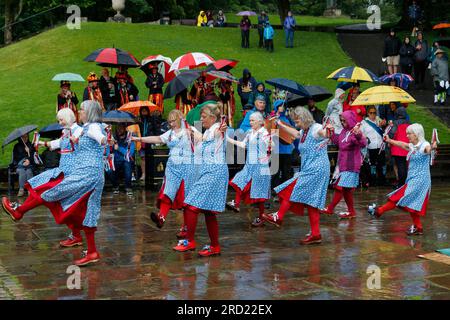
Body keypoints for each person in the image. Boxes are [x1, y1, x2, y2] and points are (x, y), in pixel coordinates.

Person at [2, 100, 108, 266]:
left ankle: (19, 211)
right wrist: (44, 144)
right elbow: (62, 143)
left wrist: (104, 140)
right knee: (79, 209)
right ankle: (88, 247)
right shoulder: (82, 129)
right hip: (83, 174)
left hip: (83, 174)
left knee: (52, 194)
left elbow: (100, 137)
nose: (79, 111)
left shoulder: (90, 127)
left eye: (82, 109)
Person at [263, 107, 331, 245]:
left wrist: (328, 129)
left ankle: (279, 216)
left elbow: (323, 133)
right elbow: (295, 133)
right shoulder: (304, 131)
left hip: (317, 169)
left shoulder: (316, 127)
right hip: (310, 168)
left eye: (297, 120)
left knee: (293, 187)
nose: (296, 123)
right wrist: (280, 124)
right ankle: (316, 234)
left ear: (305, 118)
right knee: (311, 202)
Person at [172, 103, 228, 257]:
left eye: (204, 117)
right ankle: (215, 246)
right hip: (211, 171)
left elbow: (220, 130)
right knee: (209, 211)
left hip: (214, 172)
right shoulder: (209, 130)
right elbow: (202, 140)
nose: (202, 119)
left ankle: (190, 241)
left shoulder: (216, 128)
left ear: (212, 117)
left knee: (190, 205)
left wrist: (222, 126)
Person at [368, 123, 436, 236]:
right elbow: (402, 144)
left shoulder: (424, 144)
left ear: (417, 134)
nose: (407, 135)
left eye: (409, 133)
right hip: (413, 179)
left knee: (400, 197)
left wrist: (432, 148)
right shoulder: (413, 145)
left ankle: (379, 211)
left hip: (420, 180)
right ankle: (418, 228)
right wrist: (389, 140)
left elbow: (427, 150)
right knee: (412, 203)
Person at [133, 110, 195, 234]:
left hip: (187, 168)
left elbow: (202, 139)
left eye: (173, 121)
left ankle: (186, 227)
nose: (171, 124)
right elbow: (158, 138)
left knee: (185, 198)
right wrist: (138, 138)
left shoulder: (190, 129)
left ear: (179, 119)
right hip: (172, 167)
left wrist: (193, 135)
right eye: (170, 121)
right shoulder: (170, 133)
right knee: (167, 192)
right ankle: (161, 217)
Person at [226, 112, 272, 227]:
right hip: (249, 165)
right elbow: (243, 145)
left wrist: (267, 156)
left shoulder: (264, 133)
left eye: (253, 120)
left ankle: (261, 217)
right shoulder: (250, 133)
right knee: (240, 180)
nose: (250, 123)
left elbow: (270, 148)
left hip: (260, 167)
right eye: (250, 120)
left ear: (260, 122)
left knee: (259, 194)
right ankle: (236, 203)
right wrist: (227, 139)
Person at [320, 110, 367, 219]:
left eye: (344, 120)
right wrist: (330, 132)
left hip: (351, 165)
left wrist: (358, 134)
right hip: (343, 165)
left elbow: (363, 143)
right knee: (346, 191)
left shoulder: (355, 131)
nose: (342, 122)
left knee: (340, 187)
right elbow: (337, 141)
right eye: (341, 120)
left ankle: (330, 209)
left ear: (350, 120)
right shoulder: (343, 131)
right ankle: (351, 212)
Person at [270, 100, 295, 192]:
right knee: (275, 172)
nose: (282, 107)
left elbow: (293, 132)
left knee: (286, 172)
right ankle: (274, 190)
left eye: (283, 105)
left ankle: (285, 190)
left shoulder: (287, 119)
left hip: (287, 149)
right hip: (276, 149)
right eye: (280, 106)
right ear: (276, 107)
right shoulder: (273, 118)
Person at [361, 106, 386, 187]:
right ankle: (373, 181)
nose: (373, 114)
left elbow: (384, 132)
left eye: (374, 113)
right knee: (372, 165)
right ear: (368, 113)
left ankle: (382, 180)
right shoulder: (363, 123)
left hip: (380, 146)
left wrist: (383, 125)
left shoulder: (379, 121)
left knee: (381, 164)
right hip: (370, 147)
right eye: (371, 113)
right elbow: (361, 135)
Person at [107, 124, 135, 196]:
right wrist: (111, 145)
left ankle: (128, 187)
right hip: (115, 160)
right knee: (109, 170)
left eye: (121, 128)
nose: (119, 130)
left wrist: (119, 148)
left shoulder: (130, 138)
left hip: (125, 160)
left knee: (127, 165)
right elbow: (107, 151)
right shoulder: (112, 138)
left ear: (125, 129)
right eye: (117, 128)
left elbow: (130, 154)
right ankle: (115, 186)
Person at [389, 106, 410, 189]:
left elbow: (392, 134)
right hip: (407, 147)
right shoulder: (409, 123)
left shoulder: (396, 122)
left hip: (398, 148)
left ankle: (401, 184)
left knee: (400, 166)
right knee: (405, 166)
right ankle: (405, 183)